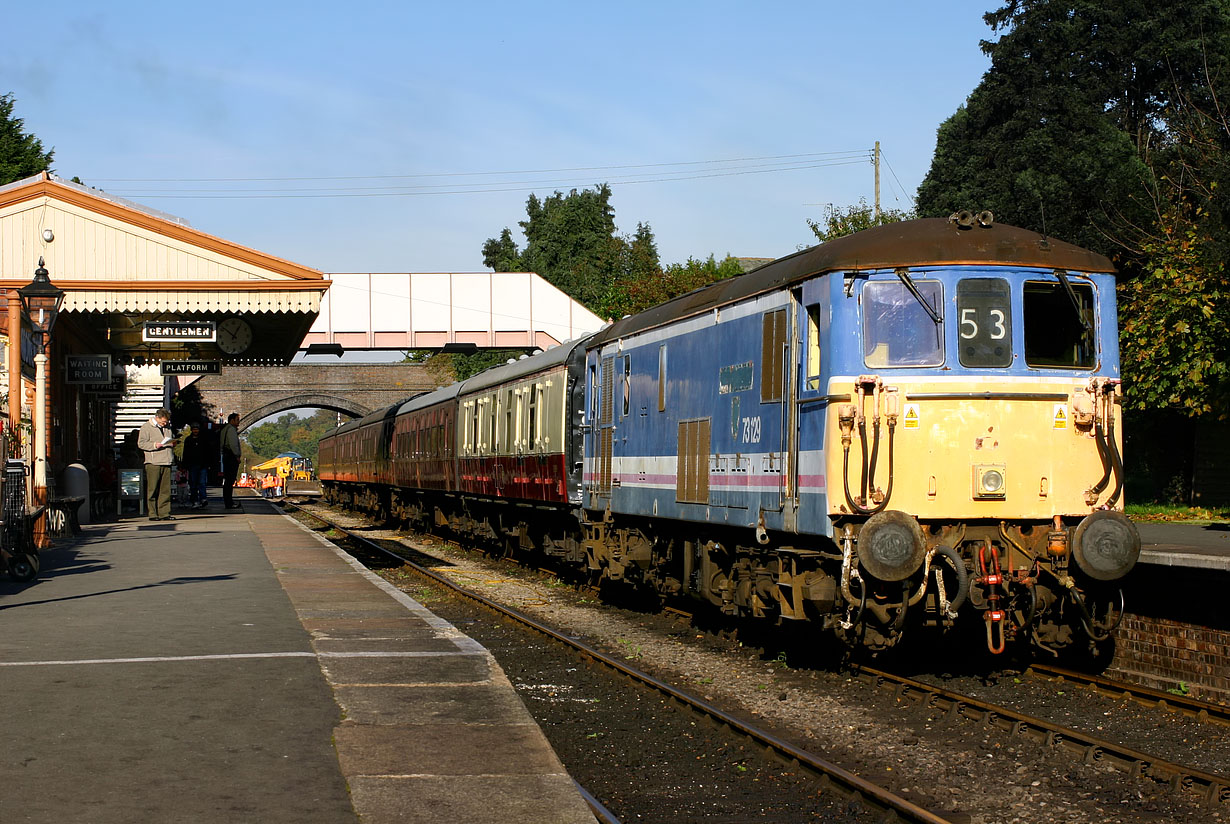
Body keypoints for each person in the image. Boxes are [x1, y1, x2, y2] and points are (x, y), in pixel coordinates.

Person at [137, 408, 178, 521]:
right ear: (157, 417)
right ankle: (153, 513)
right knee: (153, 489)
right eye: (163, 422)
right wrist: (155, 445)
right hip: (153, 461)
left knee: (165, 489)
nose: (165, 424)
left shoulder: (167, 427)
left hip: (166, 460)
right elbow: (141, 443)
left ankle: (164, 512)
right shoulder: (146, 427)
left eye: (166, 422)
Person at [181, 422, 209, 508]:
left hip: (202, 464)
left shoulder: (203, 439)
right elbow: (185, 453)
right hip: (192, 465)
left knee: (202, 483)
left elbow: (208, 452)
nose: (195, 431)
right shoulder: (188, 440)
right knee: (193, 484)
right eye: (194, 429)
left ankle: (203, 499)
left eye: (197, 429)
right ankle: (195, 500)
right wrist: (184, 465)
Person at [220, 412, 242, 509]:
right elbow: (233, 444)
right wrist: (237, 455)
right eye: (237, 420)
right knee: (230, 480)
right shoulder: (231, 430)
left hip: (226, 455)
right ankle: (229, 502)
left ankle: (228, 501)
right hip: (231, 456)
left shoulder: (225, 429)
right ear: (232, 420)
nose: (239, 422)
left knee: (228, 480)